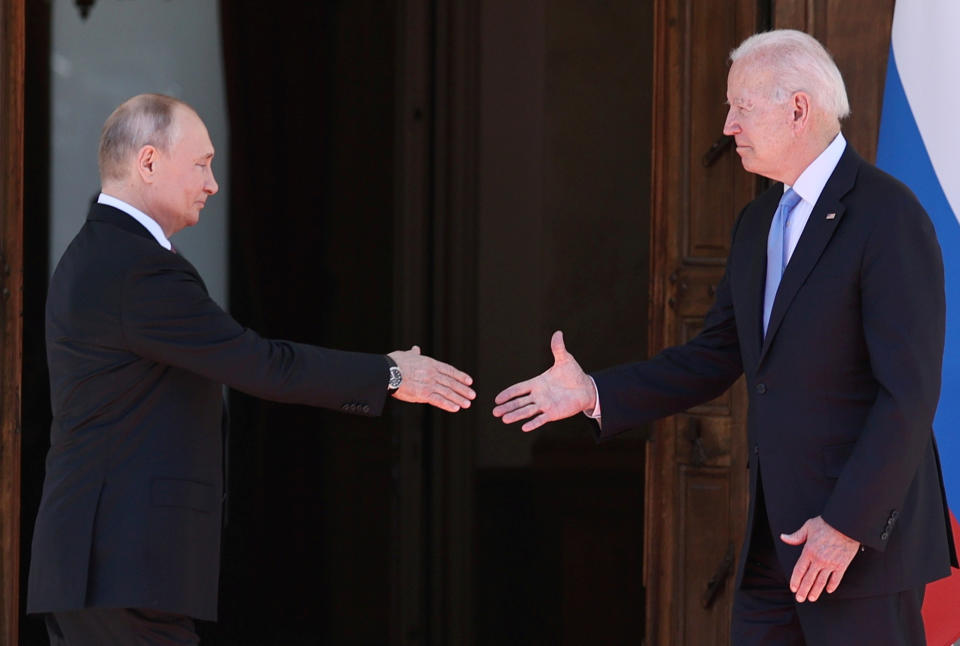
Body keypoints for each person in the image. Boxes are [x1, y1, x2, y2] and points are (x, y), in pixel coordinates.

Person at [493, 29, 957, 645]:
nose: (728, 125)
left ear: (798, 108)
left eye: (741, 106)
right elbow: (713, 356)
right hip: (774, 545)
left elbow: (910, 392)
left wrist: (846, 525)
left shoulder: (888, 215)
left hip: (859, 548)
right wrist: (594, 392)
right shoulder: (757, 220)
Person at [27, 93, 476, 646]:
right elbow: (260, 364)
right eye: (201, 163)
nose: (212, 182)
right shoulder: (136, 269)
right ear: (148, 163)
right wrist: (389, 374)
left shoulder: (101, 255)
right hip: (120, 568)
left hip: (104, 568)